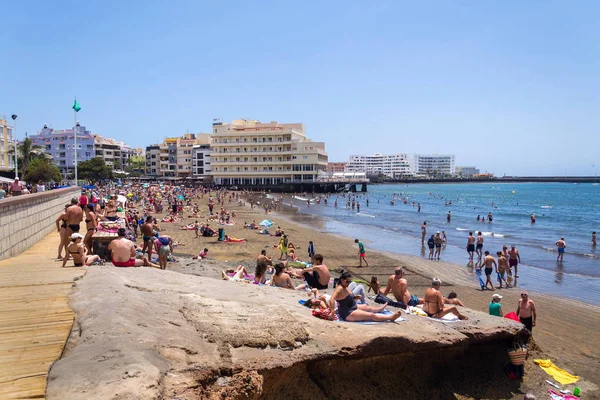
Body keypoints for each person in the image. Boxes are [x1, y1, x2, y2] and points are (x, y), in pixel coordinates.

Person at [329, 272, 402, 322]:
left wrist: (355, 297)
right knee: (372, 316)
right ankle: (390, 318)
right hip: (348, 313)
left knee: (366, 307)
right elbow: (332, 299)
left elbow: (345, 297)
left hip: (352, 306)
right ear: (342, 280)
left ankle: (379, 310)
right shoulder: (339, 288)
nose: (349, 283)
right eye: (347, 282)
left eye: (350, 282)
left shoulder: (345, 286)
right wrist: (332, 312)